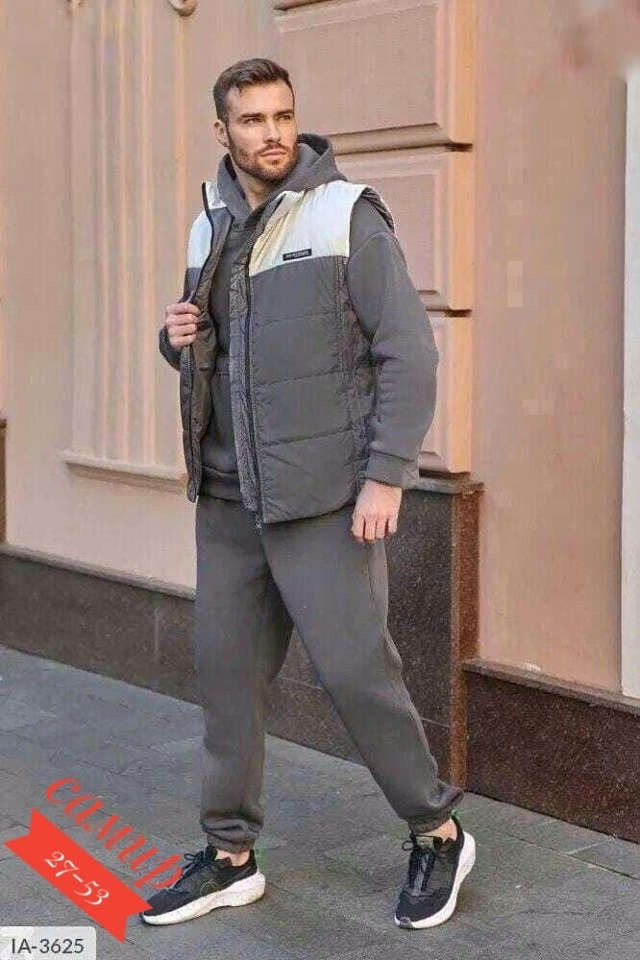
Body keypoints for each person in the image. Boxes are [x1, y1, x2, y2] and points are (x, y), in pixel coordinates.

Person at [141, 57, 475, 932]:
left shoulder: (344, 215)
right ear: (223, 132)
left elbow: (409, 353)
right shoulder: (209, 222)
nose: (273, 133)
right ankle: (230, 857)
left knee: (358, 677)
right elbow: (212, 351)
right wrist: (177, 339)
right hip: (228, 498)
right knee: (227, 683)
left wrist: (386, 475)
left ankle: (438, 832)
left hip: (326, 499)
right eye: (253, 120)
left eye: (283, 116)